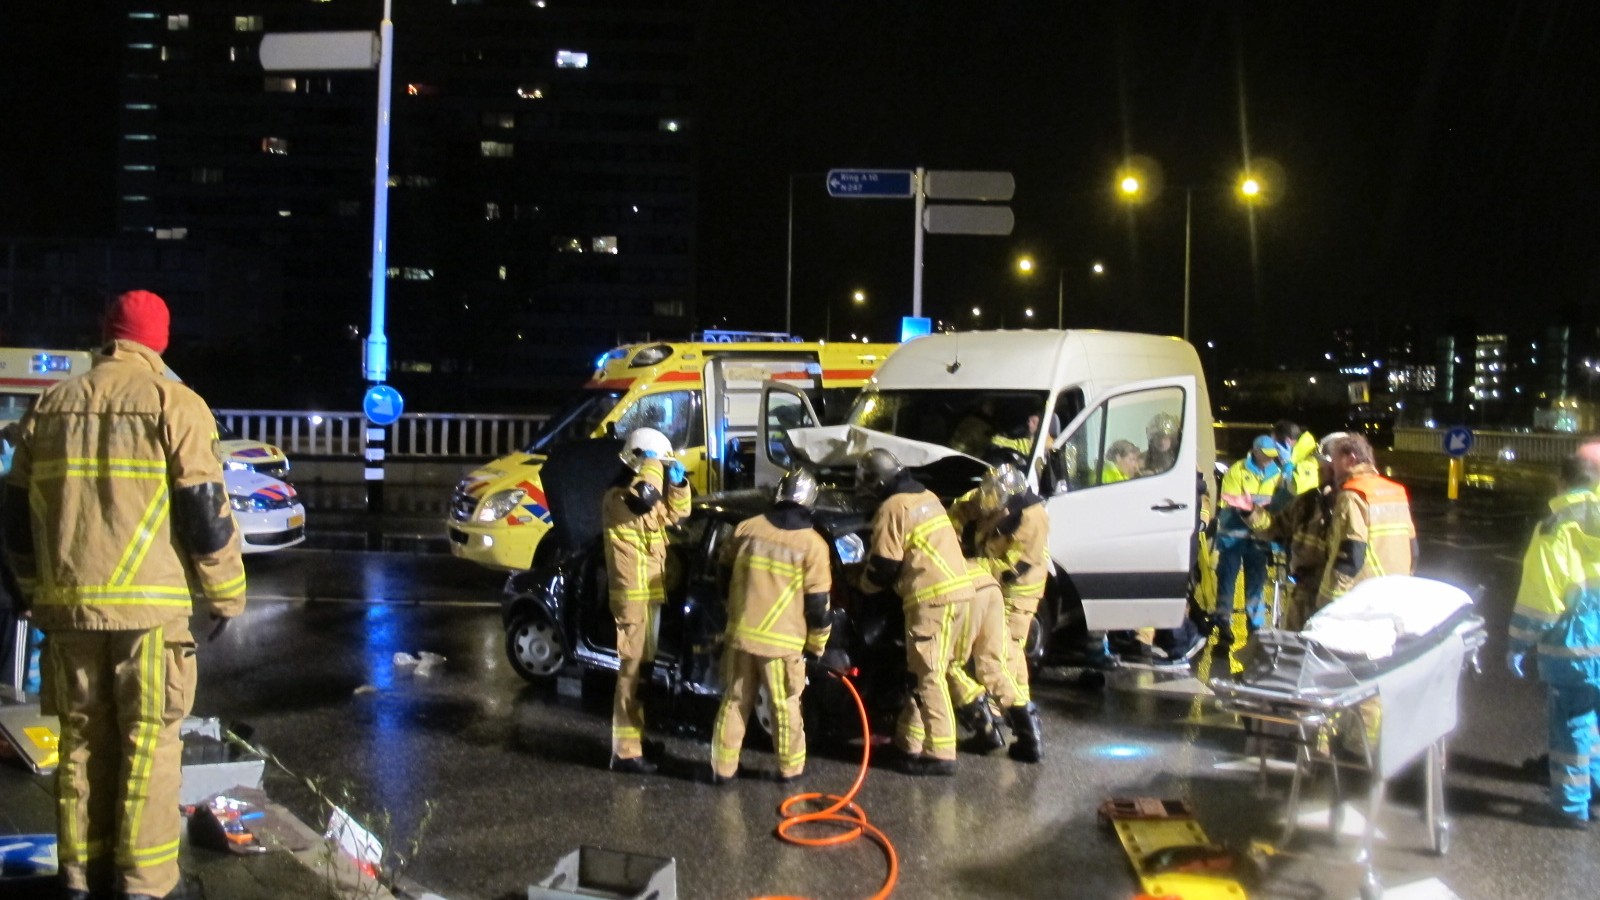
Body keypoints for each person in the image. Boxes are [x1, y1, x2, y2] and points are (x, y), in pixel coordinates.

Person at [3, 290, 248, 900]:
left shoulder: (49, 407)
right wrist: (226, 595)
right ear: (159, 342)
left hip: (66, 614)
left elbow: (12, 518)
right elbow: (205, 514)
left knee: (82, 742)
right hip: (149, 617)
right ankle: (144, 883)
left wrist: (35, 592)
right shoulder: (174, 403)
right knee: (149, 746)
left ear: (106, 334)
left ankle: (80, 878)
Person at [709, 468, 833, 784]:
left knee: (735, 701)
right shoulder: (813, 546)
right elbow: (819, 607)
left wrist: (731, 610)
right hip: (781, 645)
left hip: (740, 636)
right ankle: (790, 771)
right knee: (784, 706)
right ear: (809, 503)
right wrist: (817, 647)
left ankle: (722, 769)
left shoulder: (746, 529)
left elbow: (722, 573)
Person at [856, 447, 974, 776]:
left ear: (876, 482)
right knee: (918, 673)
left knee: (927, 676)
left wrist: (861, 586)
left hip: (930, 599)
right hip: (959, 593)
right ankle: (908, 743)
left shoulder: (893, 507)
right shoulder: (925, 496)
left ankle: (941, 754)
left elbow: (883, 567)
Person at [1508, 445, 1600, 829]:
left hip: (1574, 644)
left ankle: (1569, 806)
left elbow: (1540, 598)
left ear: (1562, 480)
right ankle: (1592, 784)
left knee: (1572, 723)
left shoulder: (1556, 526)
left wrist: (1518, 642)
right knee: (1592, 718)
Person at [602, 426, 692, 775]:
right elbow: (644, 497)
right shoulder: (618, 499)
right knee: (630, 674)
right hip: (631, 599)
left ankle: (636, 740)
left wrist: (679, 485)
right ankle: (625, 752)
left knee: (643, 675)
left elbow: (676, 515)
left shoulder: (643, 498)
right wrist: (654, 464)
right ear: (640, 462)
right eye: (656, 462)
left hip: (648, 597)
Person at [946, 462, 1049, 762]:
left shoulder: (1033, 519)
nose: (987, 511)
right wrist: (950, 543)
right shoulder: (989, 494)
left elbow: (1012, 568)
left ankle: (1024, 721)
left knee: (1009, 652)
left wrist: (968, 568)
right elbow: (959, 512)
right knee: (996, 654)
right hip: (990, 585)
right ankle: (1016, 717)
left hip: (1019, 590)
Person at [1253, 432, 1347, 631]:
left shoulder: (1351, 502)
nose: (1321, 471)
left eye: (1326, 467)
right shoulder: (1309, 500)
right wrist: (1250, 513)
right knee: (1294, 650)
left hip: (1337, 600)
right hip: (1305, 593)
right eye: (1321, 465)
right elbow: (1276, 527)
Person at [1315, 433, 1416, 611]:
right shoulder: (1396, 491)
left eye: (1336, 461)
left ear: (1350, 459)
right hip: (1396, 593)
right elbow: (1413, 549)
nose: (1333, 467)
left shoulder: (1352, 495)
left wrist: (1327, 602)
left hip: (1364, 595)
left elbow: (1351, 554)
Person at [1212, 435, 1282, 645]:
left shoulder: (1277, 474)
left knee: (1256, 585)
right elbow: (1231, 500)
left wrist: (1252, 503)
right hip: (1233, 537)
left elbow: (1277, 503)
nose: (1270, 459)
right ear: (1256, 451)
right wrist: (1261, 505)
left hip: (1259, 537)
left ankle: (1256, 626)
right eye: (1266, 455)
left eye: (1273, 456)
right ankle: (1223, 623)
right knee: (1226, 582)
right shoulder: (1237, 471)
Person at [1273, 419, 1319, 496]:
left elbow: (1294, 488)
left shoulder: (1311, 458)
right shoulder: (1292, 456)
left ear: (1287, 442)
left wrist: (1286, 463)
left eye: (1275, 443)